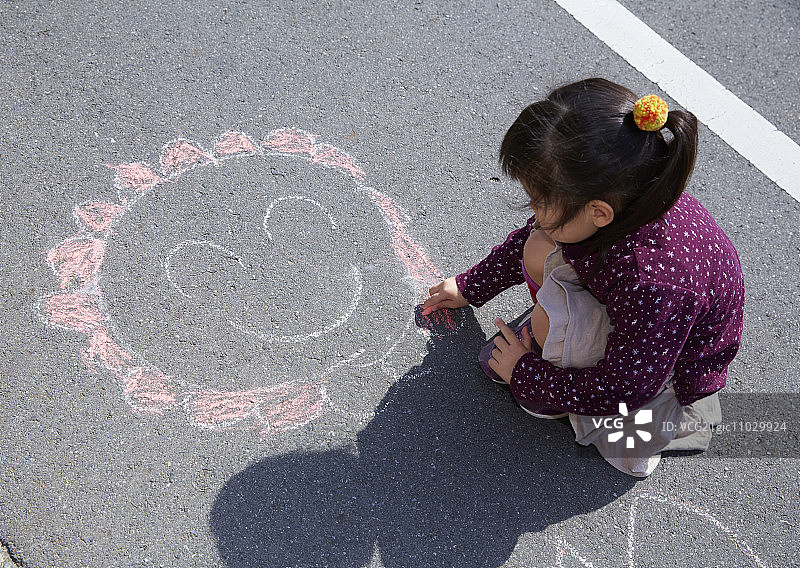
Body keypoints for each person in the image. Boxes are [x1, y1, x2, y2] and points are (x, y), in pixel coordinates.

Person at [421, 78, 745, 476]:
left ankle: (668, 420)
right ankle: (562, 348)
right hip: (645, 330)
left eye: (540, 201)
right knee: (542, 243)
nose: (533, 212)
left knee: (628, 449)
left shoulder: (654, 282)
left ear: (599, 212)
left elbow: (625, 387)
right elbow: (534, 235)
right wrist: (472, 285)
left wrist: (527, 375)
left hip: (662, 375)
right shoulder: (632, 195)